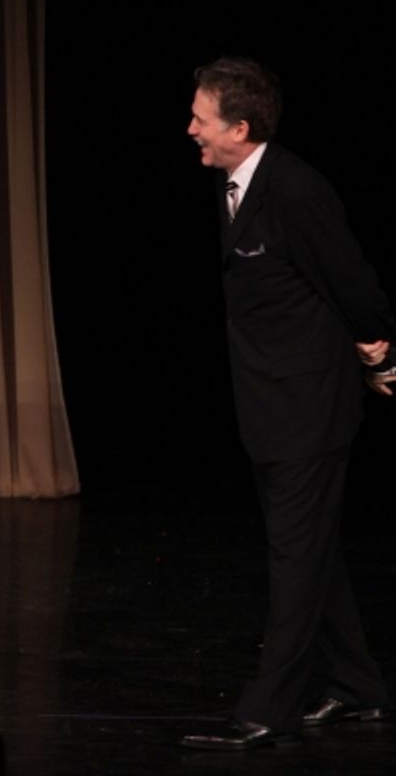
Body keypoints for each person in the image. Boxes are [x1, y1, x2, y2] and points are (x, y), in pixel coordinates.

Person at [180, 57, 395, 751]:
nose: (191, 130)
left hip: (308, 404)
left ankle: (268, 709)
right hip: (269, 400)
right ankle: (357, 685)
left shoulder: (297, 190)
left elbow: (350, 278)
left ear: (240, 128)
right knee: (310, 548)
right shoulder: (235, 185)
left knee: (294, 557)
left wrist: (379, 350)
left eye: (201, 119)